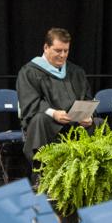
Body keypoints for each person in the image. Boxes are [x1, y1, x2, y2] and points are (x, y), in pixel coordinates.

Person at [16, 28, 95, 164]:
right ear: (46, 47)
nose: (63, 55)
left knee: (98, 123)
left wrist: (87, 116)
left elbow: (87, 97)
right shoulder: (29, 72)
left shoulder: (75, 72)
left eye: (66, 51)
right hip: (49, 123)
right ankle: (42, 174)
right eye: (58, 51)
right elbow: (30, 102)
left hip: (75, 123)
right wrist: (54, 114)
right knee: (40, 119)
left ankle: (93, 177)